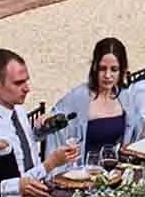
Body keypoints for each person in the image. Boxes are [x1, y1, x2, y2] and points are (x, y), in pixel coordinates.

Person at [0, 47, 67, 195]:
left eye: (26, 81)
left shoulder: (15, 107)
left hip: (38, 191)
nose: (27, 89)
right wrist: (50, 164)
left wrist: (41, 131)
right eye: (19, 83)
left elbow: (23, 143)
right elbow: (6, 184)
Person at [43, 38, 131, 166]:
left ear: (122, 70)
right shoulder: (78, 97)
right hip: (81, 174)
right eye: (102, 69)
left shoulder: (124, 97)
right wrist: (46, 121)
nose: (107, 75)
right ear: (94, 67)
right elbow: (53, 127)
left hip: (113, 173)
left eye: (114, 69)